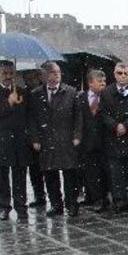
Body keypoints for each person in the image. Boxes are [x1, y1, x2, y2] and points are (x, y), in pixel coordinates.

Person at [30, 61, 82, 217]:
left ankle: (71, 204)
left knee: (70, 173)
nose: (57, 75)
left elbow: (78, 116)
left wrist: (77, 135)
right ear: (45, 75)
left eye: (58, 72)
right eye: (53, 72)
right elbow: (32, 119)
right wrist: (35, 138)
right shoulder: (36, 94)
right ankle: (56, 204)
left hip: (66, 138)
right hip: (46, 139)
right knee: (50, 173)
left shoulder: (71, 92)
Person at [0, 60, 32, 220]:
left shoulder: (22, 92)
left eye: (11, 73)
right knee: (1, 177)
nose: (8, 76)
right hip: (0, 142)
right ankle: (3, 206)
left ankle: (21, 206)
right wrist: (8, 102)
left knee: (20, 176)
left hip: (19, 141)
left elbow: (28, 116)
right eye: (4, 73)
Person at [99, 62, 128, 213]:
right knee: (116, 173)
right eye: (119, 73)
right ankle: (119, 201)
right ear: (114, 74)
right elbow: (103, 113)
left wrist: (126, 125)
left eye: (126, 73)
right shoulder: (106, 92)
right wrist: (115, 125)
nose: (123, 76)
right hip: (113, 138)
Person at [77, 70, 110, 212]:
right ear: (90, 83)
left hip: (104, 141)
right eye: (99, 81)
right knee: (89, 171)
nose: (103, 84)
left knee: (103, 171)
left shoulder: (108, 97)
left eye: (104, 81)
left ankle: (103, 198)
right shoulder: (80, 97)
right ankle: (92, 196)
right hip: (86, 142)